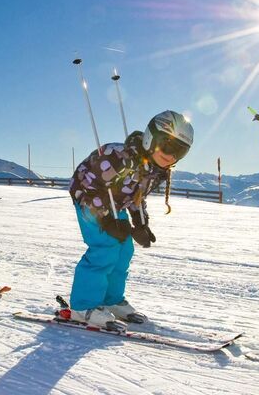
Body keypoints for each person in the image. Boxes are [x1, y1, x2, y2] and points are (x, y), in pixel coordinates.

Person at [67, 110, 194, 330]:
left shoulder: (155, 169)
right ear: (150, 138)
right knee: (105, 247)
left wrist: (140, 222)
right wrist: (105, 219)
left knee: (125, 249)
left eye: (179, 152)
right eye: (167, 146)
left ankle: (111, 300)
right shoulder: (116, 156)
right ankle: (83, 307)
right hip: (89, 201)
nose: (171, 155)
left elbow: (136, 195)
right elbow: (87, 187)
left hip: (117, 205)